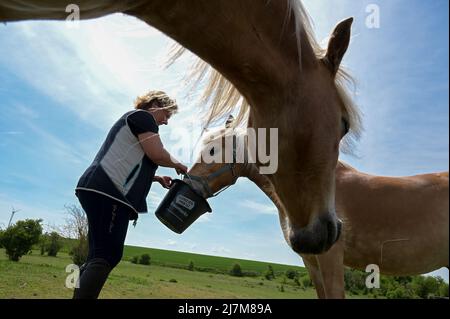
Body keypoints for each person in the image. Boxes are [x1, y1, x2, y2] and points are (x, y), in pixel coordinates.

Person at [73, 90, 188, 299]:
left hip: (98, 189)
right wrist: (178, 164)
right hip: (109, 192)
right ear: (155, 104)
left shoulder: (132, 120)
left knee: (97, 255)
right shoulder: (143, 117)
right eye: (167, 115)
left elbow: (126, 163)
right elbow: (157, 153)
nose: (166, 122)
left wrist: (157, 178)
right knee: (107, 255)